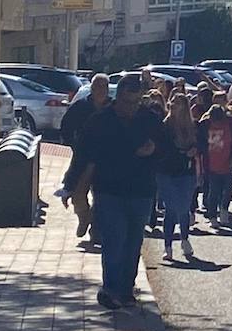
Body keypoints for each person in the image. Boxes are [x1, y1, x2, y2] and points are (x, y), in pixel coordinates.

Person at [62, 75, 164, 310]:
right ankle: (110, 289)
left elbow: (166, 148)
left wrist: (154, 149)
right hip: (109, 190)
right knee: (114, 241)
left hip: (141, 191)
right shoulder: (100, 121)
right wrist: (70, 185)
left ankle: (126, 289)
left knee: (132, 242)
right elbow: (82, 155)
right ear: (118, 98)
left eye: (137, 102)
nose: (132, 108)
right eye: (128, 102)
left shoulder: (149, 120)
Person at [60, 72, 111, 241]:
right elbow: (66, 127)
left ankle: (96, 231)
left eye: (103, 87)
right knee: (77, 195)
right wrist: (74, 144)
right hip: (83, 158)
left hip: (106, 160)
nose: (100, 90)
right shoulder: (81, 106)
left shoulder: (113, 108)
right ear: (92, 87)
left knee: (102, 198)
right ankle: (84, 217)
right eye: (97, 87)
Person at [158, 93, 199, 261]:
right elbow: (162, 148)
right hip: (167, 172)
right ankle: (168, 246)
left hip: (186, 172)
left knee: (184, 207)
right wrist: (180, 152)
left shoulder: (193, 126)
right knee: (171, 208)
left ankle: (184, 238)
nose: (175, 106)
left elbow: (201, 143)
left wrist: (194, 150)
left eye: (180, 104)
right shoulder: (165, 126)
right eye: (173, 103)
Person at [198, 95, 232, 228]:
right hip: (212, 164)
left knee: (229, 189)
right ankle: (212, 215)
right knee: (213, 191)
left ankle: (224, 209)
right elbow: (200, 143)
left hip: (229, 163)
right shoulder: (204, 125)